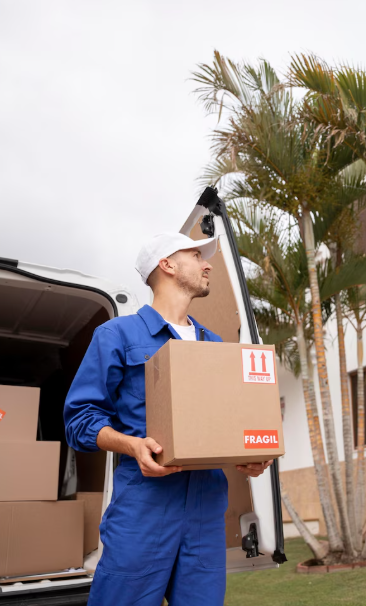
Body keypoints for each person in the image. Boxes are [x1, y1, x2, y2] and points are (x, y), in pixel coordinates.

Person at [64, 232, 271, 606]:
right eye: (196, 255)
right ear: (167, 265)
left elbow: (225, 424)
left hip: (206, 513)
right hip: (143, 509)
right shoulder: (117, 335)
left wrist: (249, 453)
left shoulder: (216, 346)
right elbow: (79, 420)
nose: (207, 264)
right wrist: (132, 444)